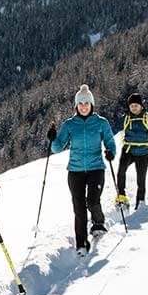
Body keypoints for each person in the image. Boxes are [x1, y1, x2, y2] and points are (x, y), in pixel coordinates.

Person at [47, 84, 116, 256]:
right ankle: (81, 243)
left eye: (86, 103)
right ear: (76, 106)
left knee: (92, 200)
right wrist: (53, 138)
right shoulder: (69, 125)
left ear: (92, 105)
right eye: (80, 103)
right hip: (75, 171)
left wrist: (110, 152)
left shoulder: (101, 122)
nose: (84, 106)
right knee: (79, 208)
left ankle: (98, 223)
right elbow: (57, 148)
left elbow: (110, 142)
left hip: (96, 168)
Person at [112, 93, 148, 210]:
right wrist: (105, 135)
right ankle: (121, 197)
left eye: (136, 105)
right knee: (121, 172)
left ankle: (141, 202)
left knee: (141, 178)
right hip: (128, 150)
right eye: (132, 106)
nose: (134, 108)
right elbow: (114, 129)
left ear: (141, 106)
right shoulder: (126, 118)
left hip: (143, 152)